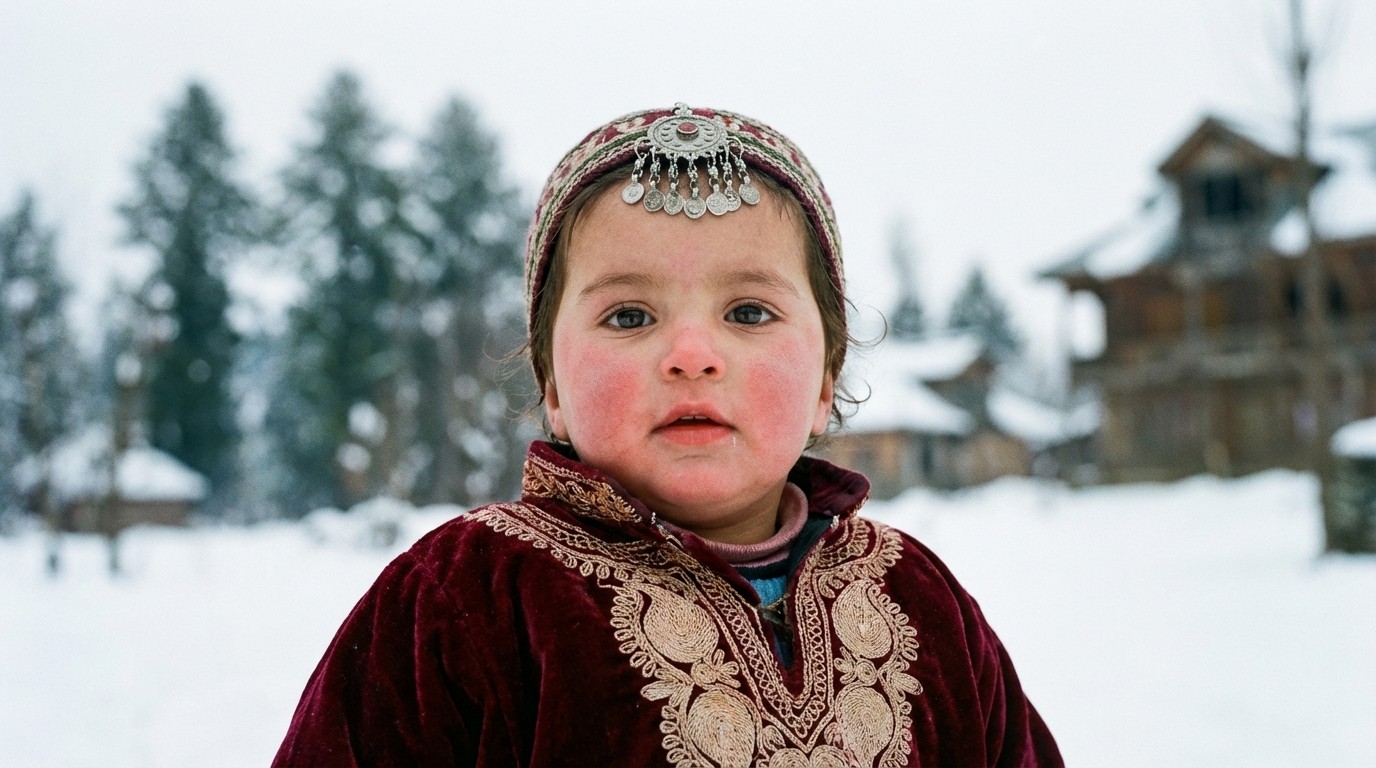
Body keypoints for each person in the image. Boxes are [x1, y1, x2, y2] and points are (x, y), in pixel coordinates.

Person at [274, 103, 1062, 767]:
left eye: (749, 312)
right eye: (630, 316)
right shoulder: (461, 598)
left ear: (825, 381)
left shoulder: (921, 597)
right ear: (552, 384)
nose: (691, 356)